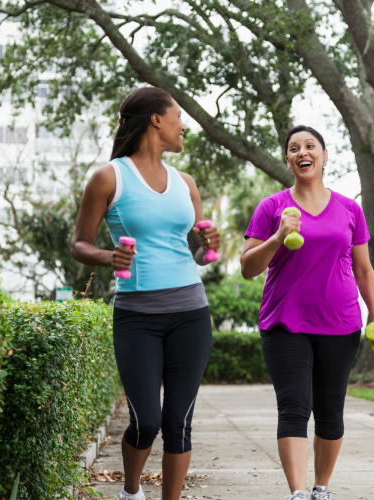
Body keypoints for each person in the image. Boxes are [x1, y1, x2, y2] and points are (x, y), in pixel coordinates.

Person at [71, 87, 220, 500]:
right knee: (146, 420)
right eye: (177, 116)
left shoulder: (185, 182)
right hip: (138, 316)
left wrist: (211, 247)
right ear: (156, 119)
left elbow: (199, 254)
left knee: (179, 421)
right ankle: (131, 491)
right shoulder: (109, 177)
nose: (183, 125)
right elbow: (79, 243)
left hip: (191, 311)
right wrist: (108, 256)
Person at [240, 125, 374, 500]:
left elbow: (364, 270)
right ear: (288, 159)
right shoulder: (272, 207)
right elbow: (247, 267)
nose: (302, 152)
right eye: (293, 148)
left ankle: (321, 487)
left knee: (329, 411)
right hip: (284, 321)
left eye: (310, 146)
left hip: (339, 323)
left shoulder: (350, 209)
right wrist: (277, 237)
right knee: (293, 406)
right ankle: (298, 492)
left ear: (323, 155)